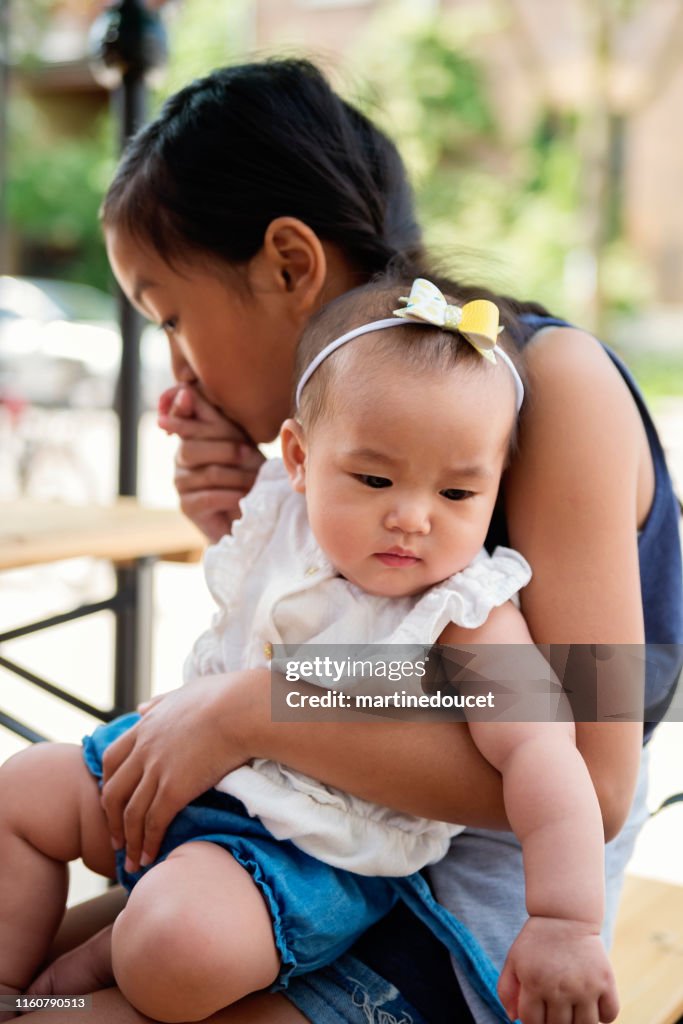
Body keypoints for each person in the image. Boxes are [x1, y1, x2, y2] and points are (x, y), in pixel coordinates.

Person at [4, 57, 681, 1024]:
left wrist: (260, 706)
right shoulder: (341, 472)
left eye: (172, 320)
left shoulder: (552, 381)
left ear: (289, 264)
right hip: (292, 853)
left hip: (460, 931)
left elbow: (595, 774)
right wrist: (257, 519)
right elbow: (359, 657)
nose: (175, 376)